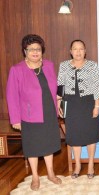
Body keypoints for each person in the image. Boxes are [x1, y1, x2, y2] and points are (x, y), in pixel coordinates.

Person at [6, 34, 62, 191]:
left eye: (38, 49)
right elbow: (11, 96)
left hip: (49, 111)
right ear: (25, 51)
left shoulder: (49, 65)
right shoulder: (17, 70)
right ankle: (35, 177)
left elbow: (55, 87)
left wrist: (58, 102)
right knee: (32, 146)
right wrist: (15, 119)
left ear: (42, 51)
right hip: (29, 115)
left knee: (49, 143)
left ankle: (51, 173)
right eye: (31, 49)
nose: (35, 52)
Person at [57, 40, 99, 179]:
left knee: (90, 135)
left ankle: (90, 165)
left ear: (85, 50)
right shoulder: (64, 65)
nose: (78, 52)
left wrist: (97, 106)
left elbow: (97, 87)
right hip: (71, 104)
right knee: (74, 135)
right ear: (70, 51)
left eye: (81, 49)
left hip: (88, 103)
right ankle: (77, 165)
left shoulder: (92, 66)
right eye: (75, 49)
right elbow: (60, 86)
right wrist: (59, 104)